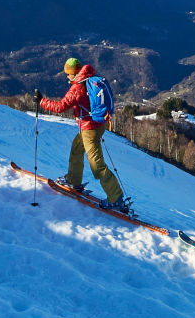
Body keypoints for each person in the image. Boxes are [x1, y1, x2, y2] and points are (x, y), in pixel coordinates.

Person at [34, 58, 129, 212]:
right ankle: (73, 180)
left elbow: (60, 107)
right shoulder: (91, 78)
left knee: (96, 165)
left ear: (74, 72)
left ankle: (115, 198)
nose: (67, 76)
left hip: (89, 128)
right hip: (99, 125)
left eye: (68, 73)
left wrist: (41, 101)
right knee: (77, 148)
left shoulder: (78, 87)